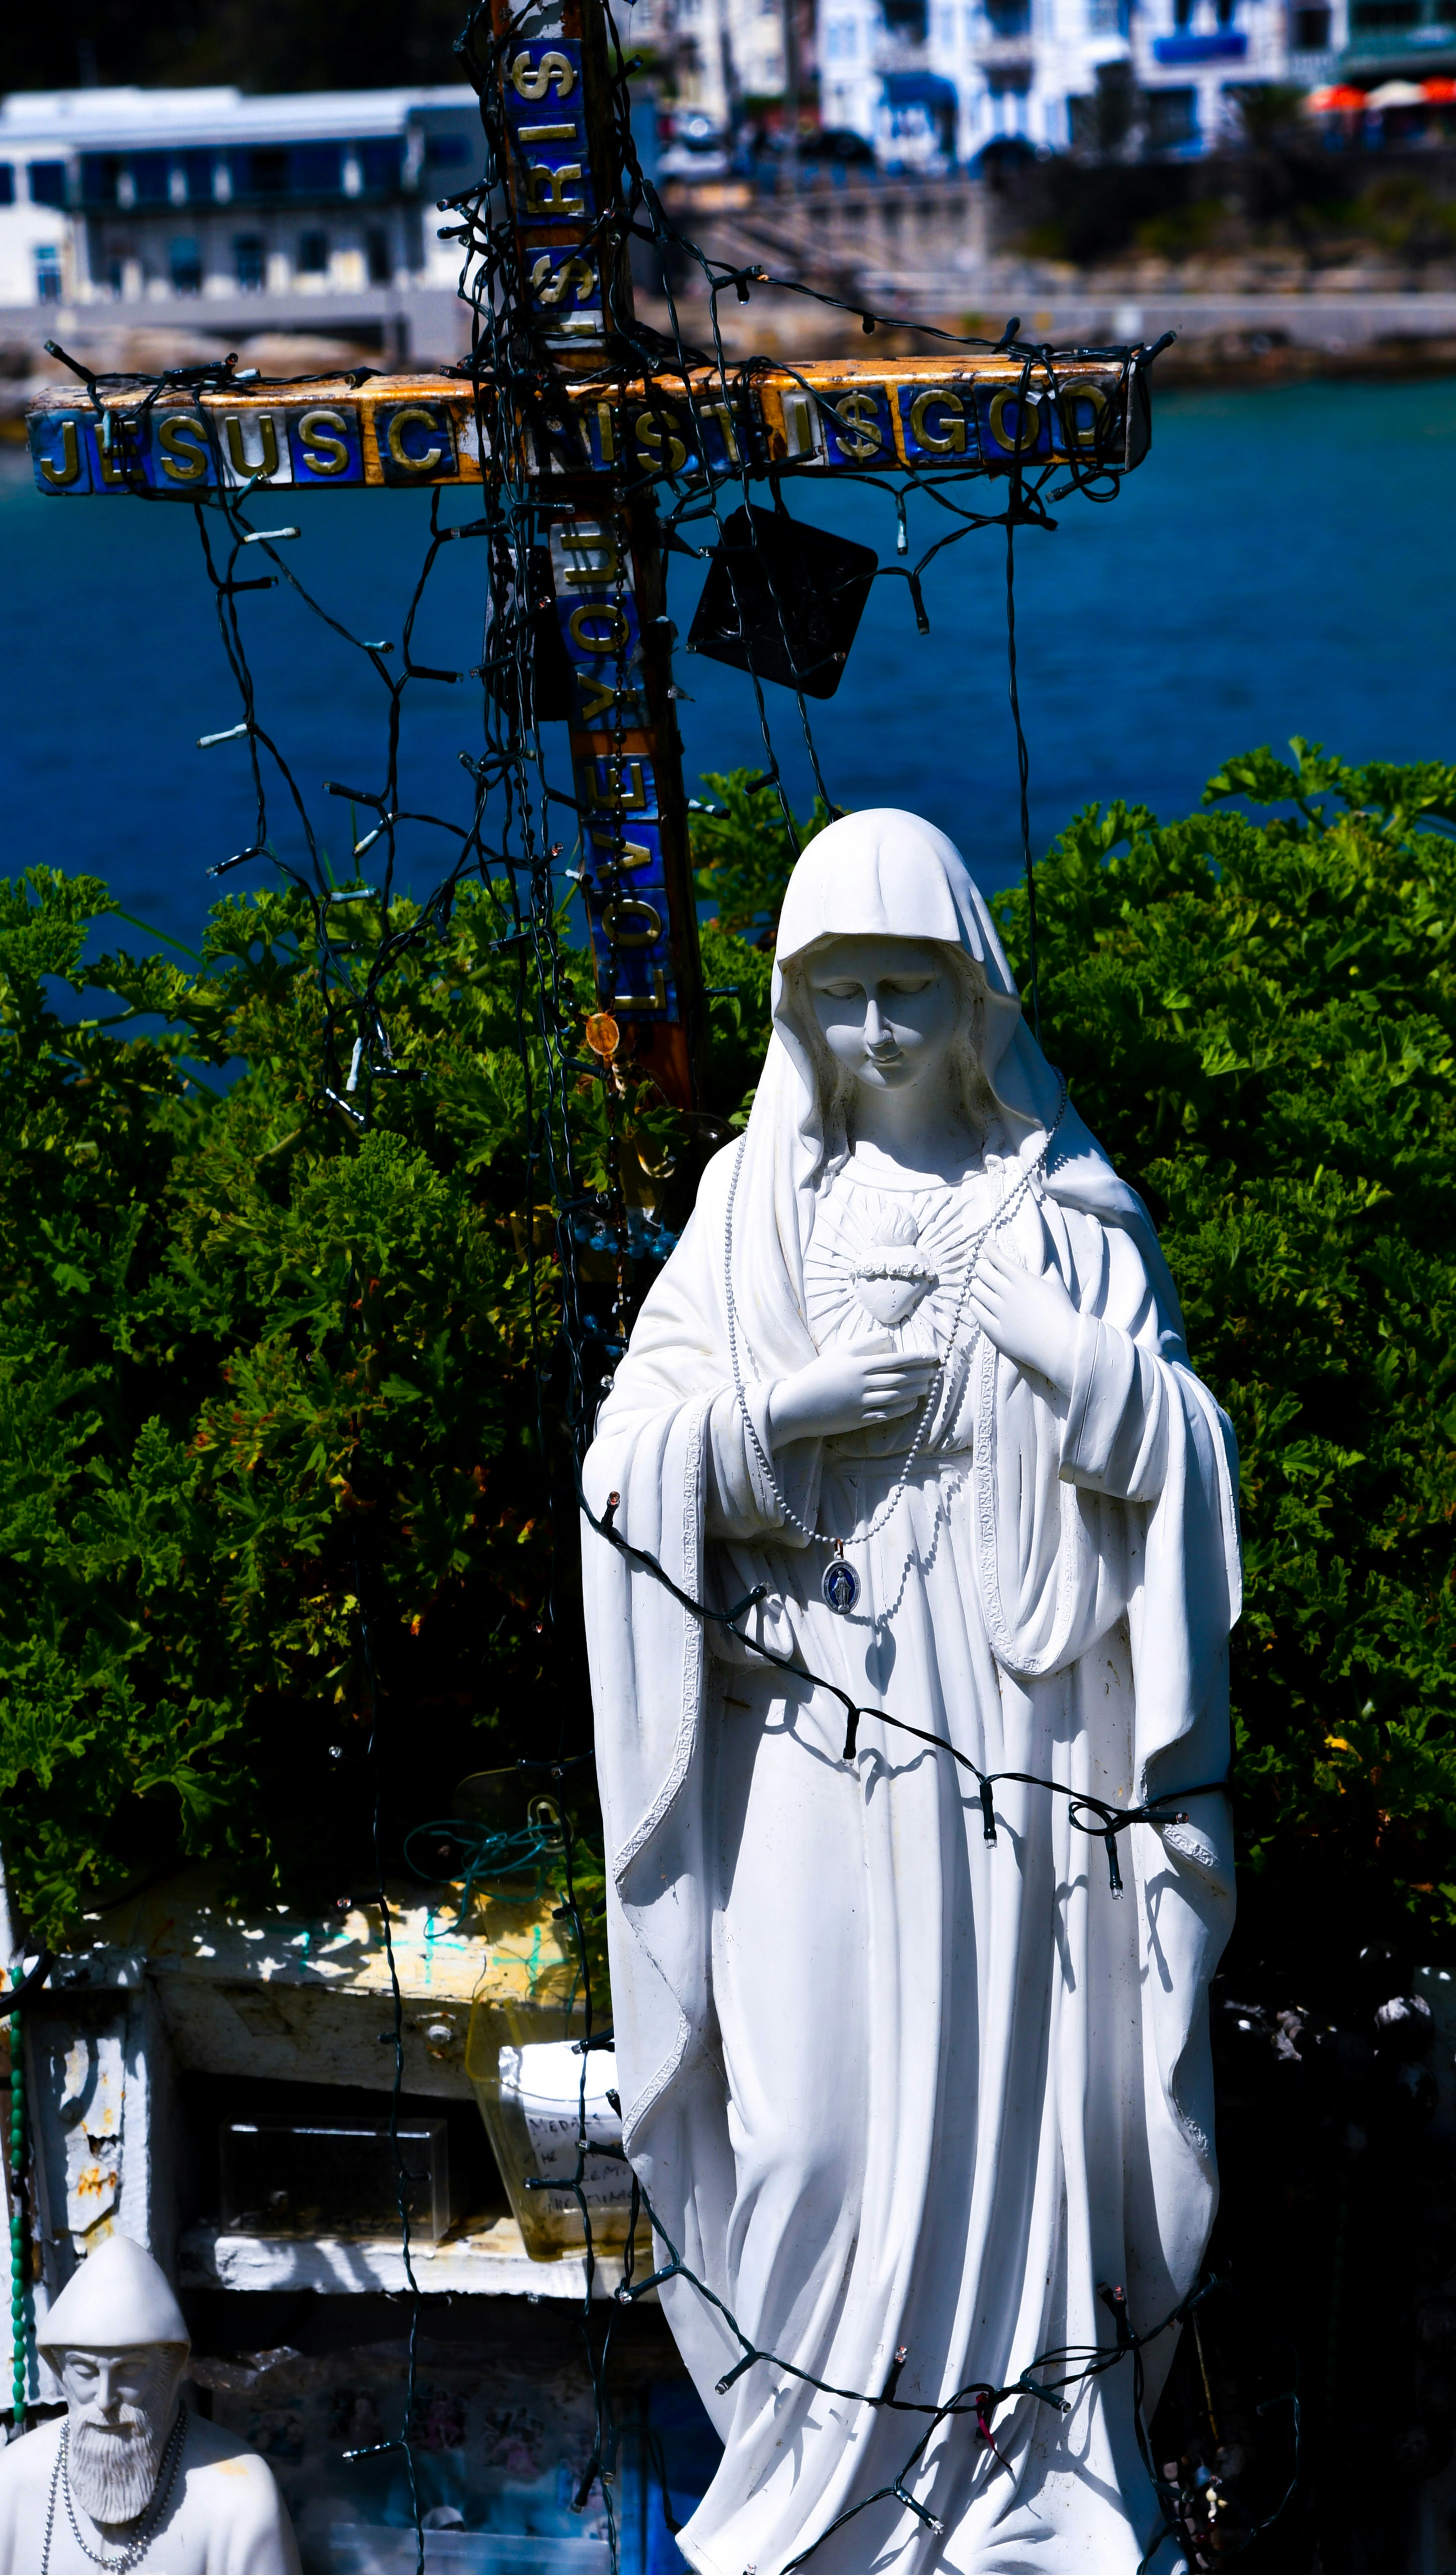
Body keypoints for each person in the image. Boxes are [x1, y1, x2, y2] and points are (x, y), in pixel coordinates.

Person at [581, 809, 1241, 2575]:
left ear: (973, 1000)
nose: (874, 1035)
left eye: (907, 992)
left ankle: (1016, 2478)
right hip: (806, 1733)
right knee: (803, 2125)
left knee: (1024, 2118)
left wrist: (1063, 1353)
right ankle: (815, 2473)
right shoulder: (749, 1217)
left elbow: (1185, 1451)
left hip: (1018, 1742)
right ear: (796, 1014)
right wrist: (768, 1425)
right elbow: (618, 1469)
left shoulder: (1070, 1217)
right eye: (840, 997)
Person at [0, 2236, 298, 2575]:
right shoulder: (7, 2484)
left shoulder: (239, 2496)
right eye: (84, 2371)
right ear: (60, 2369)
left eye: (130, 2370)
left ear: (172, 2368)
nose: (105, 2397)